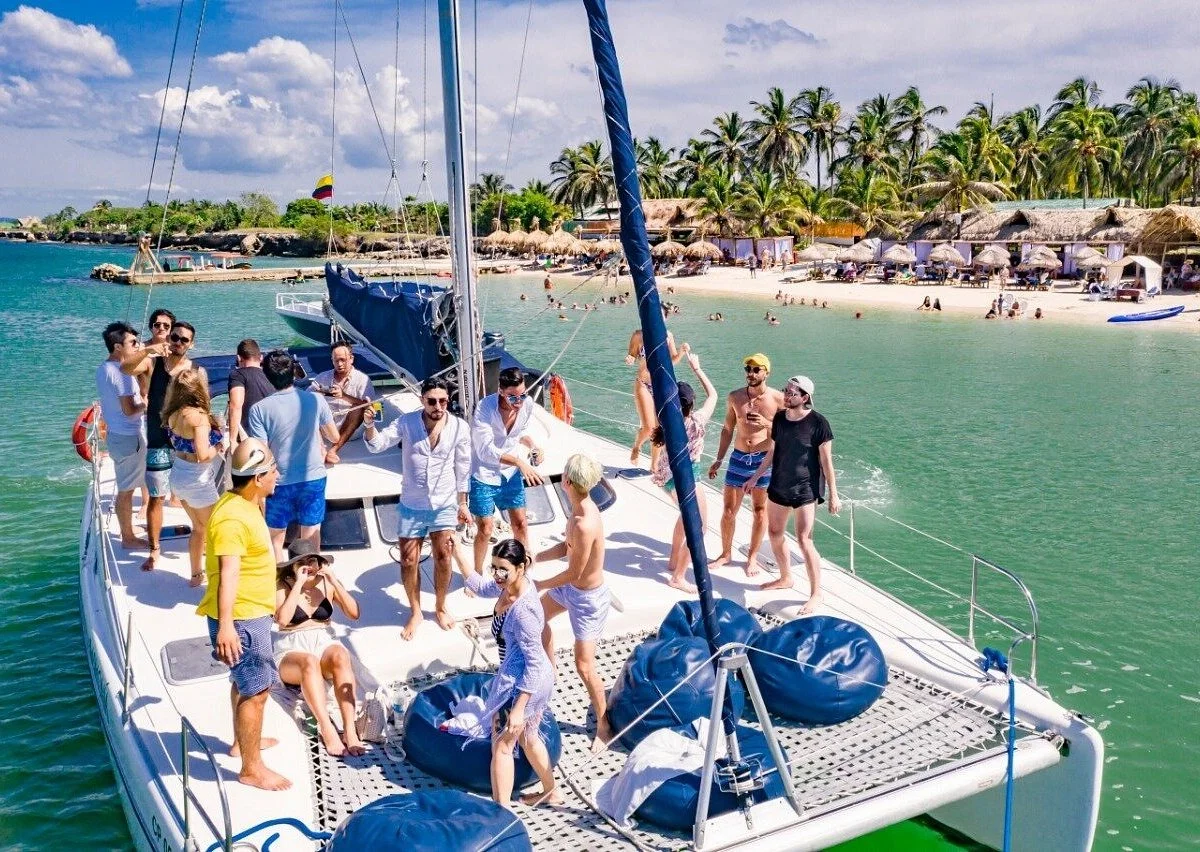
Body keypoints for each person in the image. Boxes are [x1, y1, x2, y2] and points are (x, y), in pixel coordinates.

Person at [195, 438, 291, 791]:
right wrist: (226, 628)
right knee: (257, 692)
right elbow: (228, 573)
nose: (277, 475)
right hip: (243, 620)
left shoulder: (243, 503)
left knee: (243, 682)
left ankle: (241, 744)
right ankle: (252, 768)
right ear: (256, 478)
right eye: (271, 471)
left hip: (250, 615)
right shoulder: (233, 518)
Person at [364, 376, 471, 638]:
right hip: (412, 504)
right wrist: (368, 424)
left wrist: (463, 503)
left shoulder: (459, 427)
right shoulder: (407, 423)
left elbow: (463, 466)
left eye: (443, 401)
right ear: (422, 400)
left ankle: (441, 606)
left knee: (444, 557)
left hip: (444, 503)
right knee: (408, 560)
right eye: (432, 401)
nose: (438, 406)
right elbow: (377, 445)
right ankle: (415, 611)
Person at [458, 539, 561, 809]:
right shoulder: (508, 586)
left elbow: (534, 663)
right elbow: (480, 586)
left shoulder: (523, 611)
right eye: (494, 568)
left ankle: (501, 812)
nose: (497, 575)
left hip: (525, 684)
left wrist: (518, 709)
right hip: (530, 678)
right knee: (529, 738)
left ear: (520, 567)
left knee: (502, 747)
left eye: (503, 569)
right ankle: (552, 791)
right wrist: (455, 548)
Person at [745, 376, 840, 613]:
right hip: (779, 484)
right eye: (785, 391)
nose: (786, 395)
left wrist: (834, 495)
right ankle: (786, 577)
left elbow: (826, 462)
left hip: (805, 489)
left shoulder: (819, 424)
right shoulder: (779, 418)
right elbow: (772, 451)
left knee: (804, 540)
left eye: (791, 393)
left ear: (804, 398)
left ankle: (816, 593)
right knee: (775, 533)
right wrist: (755, 477)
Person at [535, 453, 610, 748]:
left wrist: (540, 582)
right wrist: (536, 558)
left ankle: (603, 727)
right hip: (572, 589)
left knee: (584, 666)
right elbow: (566, 548)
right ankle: (550, 671)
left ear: (566, 481)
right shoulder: (580, 508)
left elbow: (573, 571)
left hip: (588, 599)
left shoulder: (583, 522)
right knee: (538, 616)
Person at [274, 539, 367, 757]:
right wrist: (297, 584)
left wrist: (333, 579)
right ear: (293, 566)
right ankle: (326, 728)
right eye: (302, 562)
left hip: (323, 640)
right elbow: (282, 620)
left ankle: (350, 729)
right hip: (291, 646)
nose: (309, 566)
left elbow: (354, 613)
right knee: (309, 662)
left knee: (341, 655)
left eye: (312, 560)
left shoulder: (326, 583)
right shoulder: (282, 585)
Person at [248, 350, 340, 559]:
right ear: (294, 373)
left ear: (267, 376)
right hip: (313, 478)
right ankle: (311, 581)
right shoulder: (316, 400)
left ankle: (280, 582)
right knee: (310, 538)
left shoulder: (258, 409)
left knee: (276, 539)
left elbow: (262, 453)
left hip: (278, 482)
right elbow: (334, 437)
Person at [123, 319, 197, 571]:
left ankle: (201, 538)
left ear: (191, 344)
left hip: (185, 442)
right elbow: (125, 368)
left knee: (191, 494)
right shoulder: (152, 362)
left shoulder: (193, 370)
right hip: (158, 441)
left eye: (183, 339)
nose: (177, 342)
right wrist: (145, 350)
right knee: (156, 497)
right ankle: (154, 550)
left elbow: (201, 404)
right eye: (174, 337)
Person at [707, 352, 784, 577]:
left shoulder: (778, 399)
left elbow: (787, 433)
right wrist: (719, 459)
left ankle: (752, 557)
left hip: (764, 461)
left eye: (756, 370)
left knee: (760, 511)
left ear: (766, 373)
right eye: (748, 369)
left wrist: (767, 423)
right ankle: (725, 553)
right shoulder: (734, 397)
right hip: (739, 458)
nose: (751, 374)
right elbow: (727, 430)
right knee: (729, 511)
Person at [652, 352, 718, 592]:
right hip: (687, 476)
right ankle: (678, 576)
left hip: (667, 477)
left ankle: (672, 560)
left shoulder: (666, 422)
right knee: (699, 526)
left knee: (685, 515)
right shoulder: (696, 422)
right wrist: (697, 368)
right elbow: (714, 395)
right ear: (691, 403)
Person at [470, 367, 544, 574]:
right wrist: (520, 462)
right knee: (485, 528)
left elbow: (521, 433)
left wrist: (534, 446)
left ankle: (523, 568)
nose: (518, 401)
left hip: (510, 474)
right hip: (484, 473)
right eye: (513, 397)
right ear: (501, 391)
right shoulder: (485, 408)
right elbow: (485, 451)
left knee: (520, 523)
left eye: (522, 395)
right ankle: (477, 574)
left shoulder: (526, 404)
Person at [162, 367, 224, 586]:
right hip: (198, 481)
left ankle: (196, 575)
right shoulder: (199, 418)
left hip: (178, 476)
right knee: (218, 531)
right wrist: (219, 445)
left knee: (199, 528)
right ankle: (220, 578)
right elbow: (203, 456)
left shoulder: (172, 415)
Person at [97, 322, 148, 548]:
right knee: (126, 491)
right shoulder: (121, 373)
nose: (137, 345)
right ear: (118, 347)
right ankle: (127, 537)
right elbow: (129, 410)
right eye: (132, 343)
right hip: (129, 437)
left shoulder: (103, 368)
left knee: (125, 486)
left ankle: (127, 530)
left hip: (116, 436)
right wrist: (145, 405)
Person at [625, 313, 687, 468]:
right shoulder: (639, 336)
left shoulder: (668, 336)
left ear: (665, 318)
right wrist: (630, 359)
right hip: (643, 384)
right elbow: (632, 355)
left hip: (661, 387)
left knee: (660, 429)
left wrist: (681, 352)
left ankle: (654, 466)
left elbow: (673, 360)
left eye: (661, 315)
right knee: (648, 427)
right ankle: (637, 446)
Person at [310, 341, 375, 465]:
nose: (339, 364)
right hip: (326, 429)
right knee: (312, 401)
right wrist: (317, 395)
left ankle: (334, 450)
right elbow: (306, 400)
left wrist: (344, 396)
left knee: (359, 407)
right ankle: (322, 448)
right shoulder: (322, 378)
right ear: (332, 360)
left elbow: (370, 406)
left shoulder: (363, 379)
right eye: (336, 360)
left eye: (343, 360)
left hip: (351, 430)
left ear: (351, 359)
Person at [227, 339, 274, 448]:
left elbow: (236, 405)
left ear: (238, 358)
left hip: (249, 440)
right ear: (261, 357)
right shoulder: (272, 376)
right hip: (273, 436)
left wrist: (232, 440)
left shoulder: (238, 375)